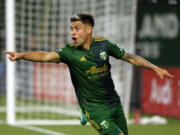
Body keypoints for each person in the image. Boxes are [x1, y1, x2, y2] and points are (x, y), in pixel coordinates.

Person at [4, 13, 173, 135]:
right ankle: (86, 113)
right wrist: (21, 55)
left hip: (114, 103)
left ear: (89, 29)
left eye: (77, 28)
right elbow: (45, 55)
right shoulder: (69, 52)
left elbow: (130, 57)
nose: (73, 33)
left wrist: (155, 68)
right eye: (71, 29)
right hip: (94, 108)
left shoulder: (104, 44)